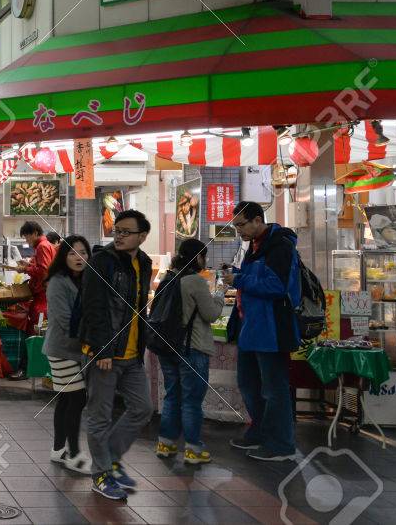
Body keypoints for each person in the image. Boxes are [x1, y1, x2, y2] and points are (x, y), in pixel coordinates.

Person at [79, 209, 153, 501]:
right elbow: (94, 307)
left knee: (143, 408)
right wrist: (102, 348)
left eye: (126, 232)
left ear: (142, 236)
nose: (119, 236)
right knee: (100, 416)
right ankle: (101, 474)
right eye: (117, 231)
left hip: (132, 354)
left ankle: (108, 458)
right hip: (105, 353)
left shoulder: (144, 262)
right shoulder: (102, 262)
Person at [224, 201, 301, 461]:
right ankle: (259, 433)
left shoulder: (280, 245)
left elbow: (276, 286)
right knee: (248, 384)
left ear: (258, 220)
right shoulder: (254, 246)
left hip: (272, 329)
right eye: (235, 226)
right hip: (250, 327)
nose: (239, 231)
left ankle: (281, 445)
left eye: (241, 225)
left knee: (274, 387)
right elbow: (256, 279)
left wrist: (239, 279)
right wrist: (235, 274)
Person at [156, 237, 224, 465]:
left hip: (168, 348)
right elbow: (211, 314)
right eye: (204, 256)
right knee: (191, 400)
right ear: (198, 257)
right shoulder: (195, 281)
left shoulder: (169, 277)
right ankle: (193, 448)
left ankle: (166, 443)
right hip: (191, 348)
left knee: (172, 395)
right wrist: (220, 295)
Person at [43, 235, 92, 474]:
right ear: (64, 256)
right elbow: (64, 319)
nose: (79, 257)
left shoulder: (86, 279)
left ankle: (58, 450)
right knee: (77, 399)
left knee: (66, 399)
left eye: (83, 252)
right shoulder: (58, 282)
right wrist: (92, 338)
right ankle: (73, 455)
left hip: (76, 350)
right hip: (61, 349)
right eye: (73, 253)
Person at [16, 221, 57, 334]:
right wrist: (29, 265)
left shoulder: (42, 246)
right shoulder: (45, 244)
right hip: (45, 293)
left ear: (34, 233)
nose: (26, 240)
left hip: (43, 294)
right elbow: (43, 267)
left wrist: (25, 269)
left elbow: (44, 271)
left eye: (26, 236)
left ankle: (37, 345)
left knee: (37, 327)